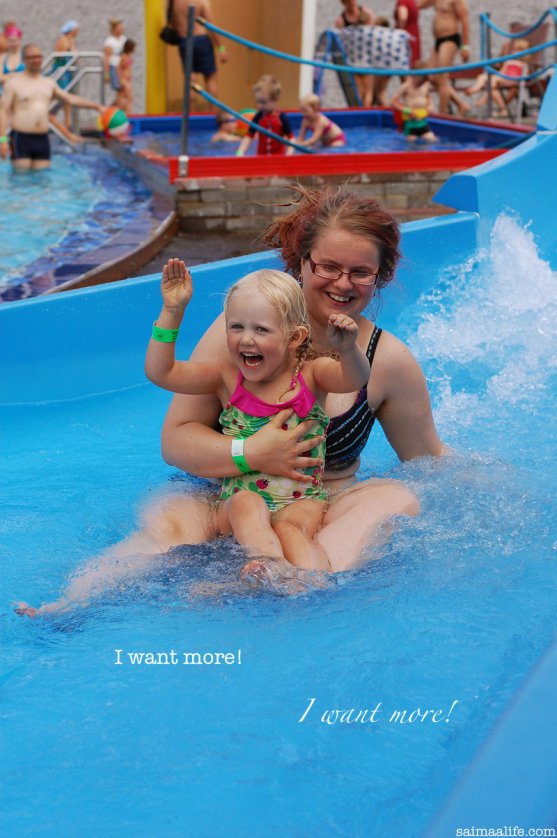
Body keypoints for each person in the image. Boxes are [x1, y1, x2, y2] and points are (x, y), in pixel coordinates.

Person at [146, 259, 369, 577]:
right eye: (236, 327)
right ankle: (269, 567)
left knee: (293, 530)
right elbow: (161, 372)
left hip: (300, 499)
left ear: (294, 338)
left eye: (261, 329)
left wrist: (348, 350)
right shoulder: (226, 377)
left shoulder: (312, 376)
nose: (246, 339)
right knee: (246, 504)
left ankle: (316, 584)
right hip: (236, 506)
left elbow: (354, 380)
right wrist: (172, 312)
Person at [0, 43, 103, 171]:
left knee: (42, 180)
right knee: (22, 181)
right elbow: (3, 111)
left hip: (42, 138)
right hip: (21, 138)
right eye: (32, 57)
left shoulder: (48, 83)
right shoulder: (14, 84)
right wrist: (2, 140)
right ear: (25, 60)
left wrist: (96, 106)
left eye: (39, 57)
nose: (36, 60)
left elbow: (70, 99)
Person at [418, 0, 470, 116]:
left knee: (442, 78)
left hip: (450, 38)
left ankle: (443, 113)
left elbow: (464, 20)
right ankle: (461, 104)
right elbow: (420, 5)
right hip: (438, 40)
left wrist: (465, 46)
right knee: (431, 76)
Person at [172, 0, 228, 108]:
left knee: (190, 79)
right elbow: (211, 25)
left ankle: (190, 116)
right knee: (210, 78)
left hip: (184, 41)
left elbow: (173, 22)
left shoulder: (175, 2)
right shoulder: (201, 1)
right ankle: (212, 114)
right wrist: (221, 47)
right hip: (201, 40)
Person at [463, 39, 530, 117]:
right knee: (485, 78)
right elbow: (501, 72)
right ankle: (477, 90)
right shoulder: (509, 61)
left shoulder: (523, 64)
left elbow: (525, 76)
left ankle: (478, 94)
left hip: (513, 80)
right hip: (503, 79)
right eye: (514, 49)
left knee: (491, 80)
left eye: (517, 50)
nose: (514, 52)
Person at [236, 75, 294, 157]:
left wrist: (289, 154)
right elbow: (249, 136)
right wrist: (240, 152)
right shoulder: (259, 117)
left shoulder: (282, 118)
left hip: (279, 159)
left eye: (263, 102)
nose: (259, 106)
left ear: (276, 99)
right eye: (258, 101)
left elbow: (291, 138)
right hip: (261, 159)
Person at [335, 1, 375, 108]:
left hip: (367, 58)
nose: (351, 4)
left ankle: (366, 111)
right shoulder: (341, 19)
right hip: (353, 60)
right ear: (343, 3)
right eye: (348, 2)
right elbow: (340, 40)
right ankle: (360, 110)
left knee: (368, 89)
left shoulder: (366, 12)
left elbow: (373, 33)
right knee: (359, 90)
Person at [391, 60, 437, 140]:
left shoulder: (425, 85)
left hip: (422, 122)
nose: (424, 81)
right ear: (415, 75)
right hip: (410, 123)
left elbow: (428, 97)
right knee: (411, 141)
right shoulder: (406, 86)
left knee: (432, 139)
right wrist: (406, 110)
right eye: (423, 78)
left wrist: (430, 106)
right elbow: (393, 102)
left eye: (426, 79)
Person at [52, 20, 79, 130]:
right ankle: (56, 117)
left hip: (68, 72)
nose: (78, 31)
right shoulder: (63, 40)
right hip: (62, 72)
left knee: (66, 98)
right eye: (76, 29)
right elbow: (58, 55)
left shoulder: (71, 40)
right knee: (63, 96)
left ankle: (67, 122)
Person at [103, 18, 126, 108]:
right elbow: (107, 58)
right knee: (119, 89)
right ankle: (114, 109)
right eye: (119, 27)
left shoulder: (123, 39)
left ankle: (111, 109)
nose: (121, 29)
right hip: (114, 66)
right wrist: (107, 73)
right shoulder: (110, 41)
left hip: (122, 67)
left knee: (124, 91)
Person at [394, 0, 421, 66]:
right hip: (414, 33)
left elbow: (403, 17)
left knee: (405, 63)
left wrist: (399, 29)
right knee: (413, 62)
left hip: (406, 34)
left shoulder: (403, 1)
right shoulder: (412, 1)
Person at [116, 38, 136, 116]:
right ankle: (128, 114)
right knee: (129, 98)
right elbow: (118, 68)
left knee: (121, 98)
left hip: (127, 79)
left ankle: (122, 113)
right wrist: (121, 79)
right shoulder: (123, 56)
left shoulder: (128, 55)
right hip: (124, 80)